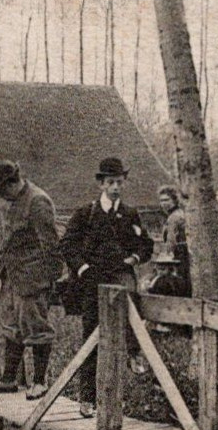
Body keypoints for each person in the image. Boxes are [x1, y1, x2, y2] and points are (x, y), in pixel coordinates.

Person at [61, 156, 153, 411]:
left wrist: (133, 258)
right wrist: (82, 267)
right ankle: (87, 397)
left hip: (120, 274)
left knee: (130, 301)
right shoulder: (86, 213)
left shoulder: (130, 214)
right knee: (91, 336)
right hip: (93, 282)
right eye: (111, 183)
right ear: (101, 184)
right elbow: (67, 245)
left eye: (120, 183)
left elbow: (145, 245)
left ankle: (133, 352)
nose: (115, 188)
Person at [0, 161, 63, 398]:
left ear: (12, 183)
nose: (1, 196)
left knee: (36, 327)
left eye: (2, 190)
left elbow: (51, 244)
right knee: (11, 326)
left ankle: (39, 382)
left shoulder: (38, 201)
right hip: (13, 274)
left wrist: (48, 280)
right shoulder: (15, 202)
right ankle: (8, 380)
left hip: (32, 277)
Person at [153, 184, 191, 298]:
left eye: (166, 200)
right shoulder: (179, 214)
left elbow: (171, 242)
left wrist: (164, 259)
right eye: (161, 201)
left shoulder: (174, 218)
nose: (163, 203)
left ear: (175, 200)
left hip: (178, 258)